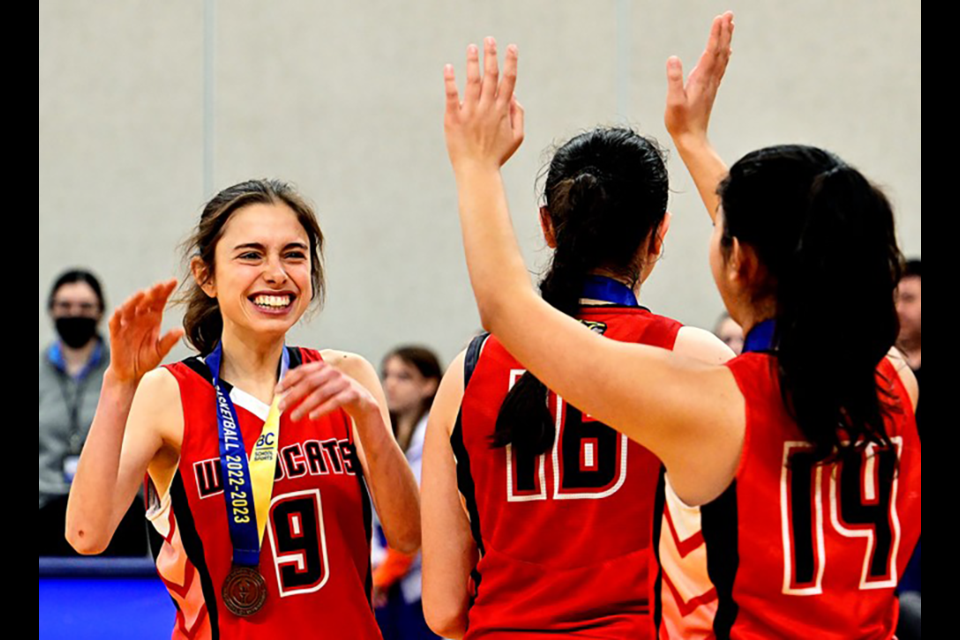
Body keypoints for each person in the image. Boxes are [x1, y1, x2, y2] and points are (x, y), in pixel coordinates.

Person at [441, 14, 919, 640]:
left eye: (724, 229)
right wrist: (691, 140)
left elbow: (509, 309)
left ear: (741, 259)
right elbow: (800, 251)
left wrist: (475, 164)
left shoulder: (716, 402)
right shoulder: (894, 380)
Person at [66, 180, 421, 639]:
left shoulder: (347, 377)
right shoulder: (167, 392)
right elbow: (85, 536)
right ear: (205, 275)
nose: (276, 273)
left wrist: (372, 423)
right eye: (251, 255)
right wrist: (118, 386)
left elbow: (409, 537)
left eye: (293, 255)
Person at [422, 126, 734, 639]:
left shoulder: (467, 371)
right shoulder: (693, 359)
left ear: (548, 226)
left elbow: (445, 610)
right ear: (659, 233)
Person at [40, 269, 149, 557]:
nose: (75, 313)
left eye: (85, 307)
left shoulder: (125, 374)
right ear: (51, 309)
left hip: (115, 512)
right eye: (65, 306)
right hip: (45, 507)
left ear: (100, 312)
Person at [375, 347, 443, 640]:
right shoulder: (382, 432)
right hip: (386, 565)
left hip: (417, 575)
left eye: (403, 377)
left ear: (430, 385)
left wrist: (383, 575)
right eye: (387, 375)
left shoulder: (433, 437)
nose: (391, 384)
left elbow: (420, 519)